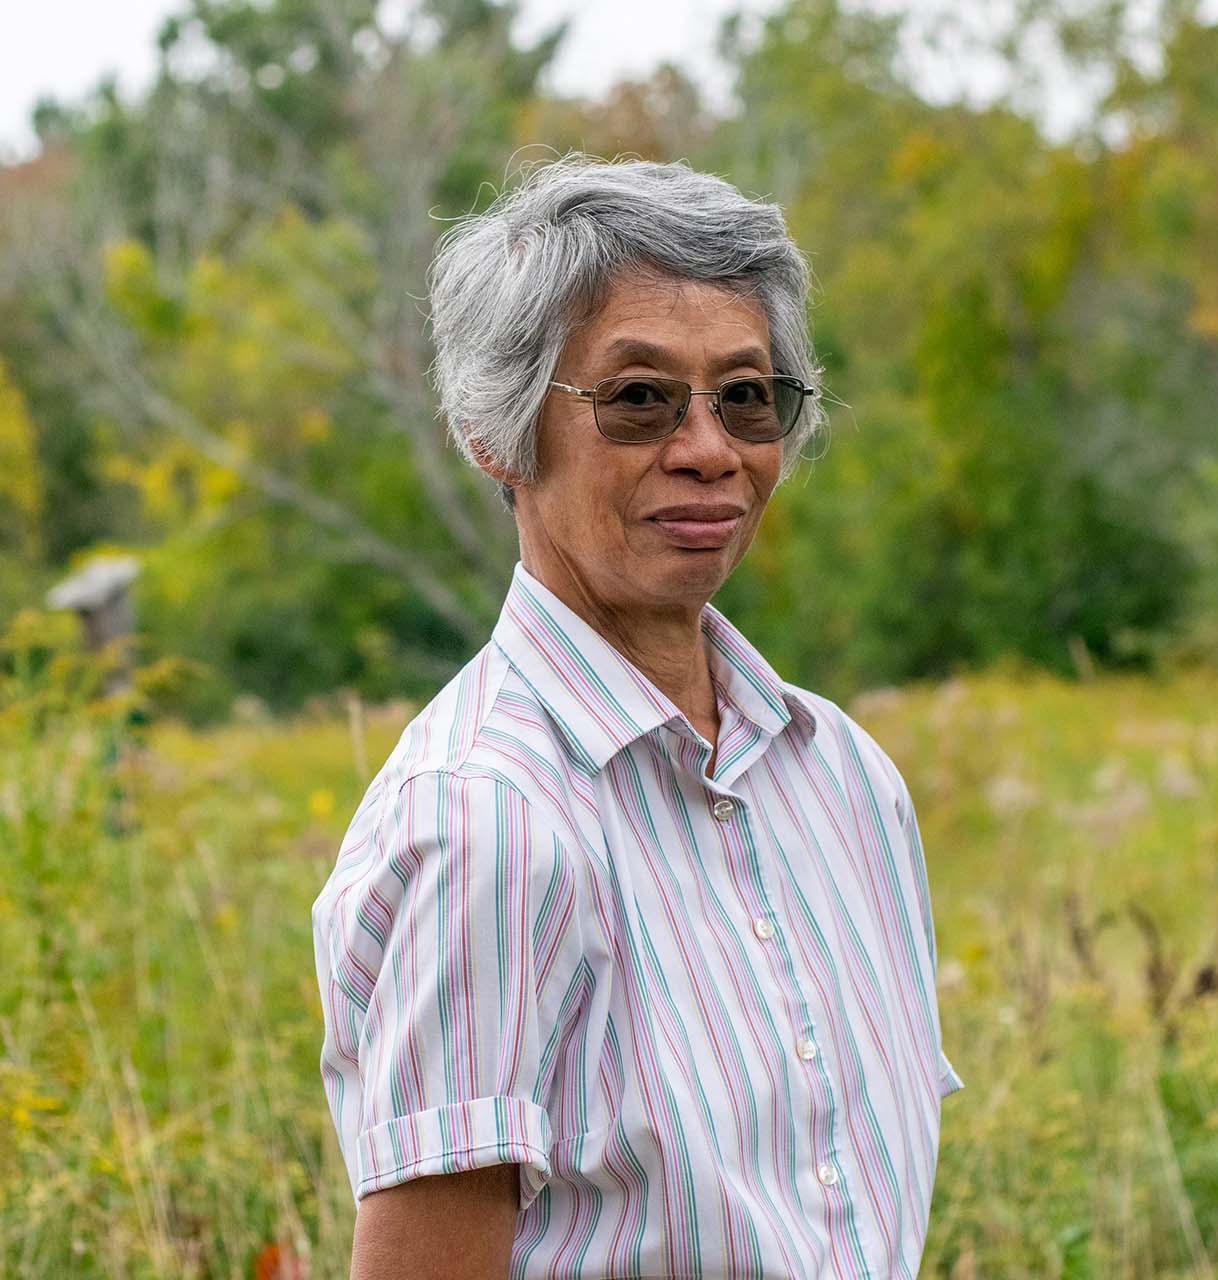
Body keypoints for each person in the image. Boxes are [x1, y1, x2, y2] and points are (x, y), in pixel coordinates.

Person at [310, 153, 964, 1279]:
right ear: (498, 433)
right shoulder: (487, 822)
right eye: (639, 398)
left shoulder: (845, 778)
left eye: (746, 396)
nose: (709, 448)